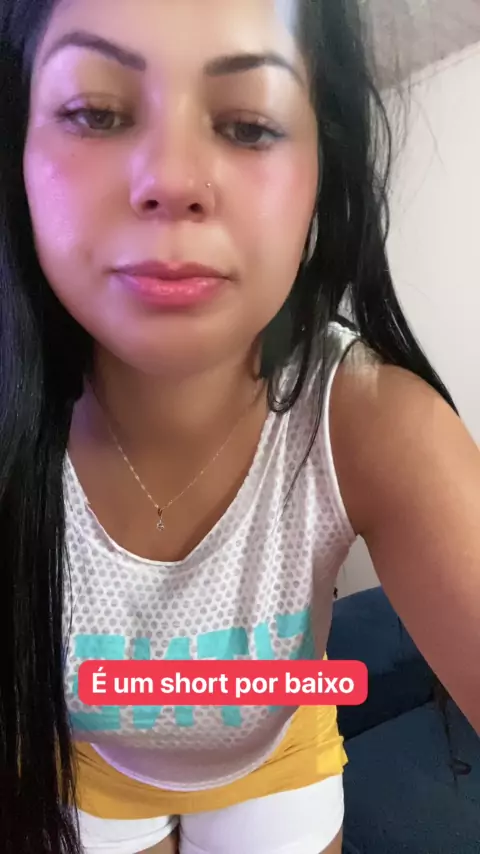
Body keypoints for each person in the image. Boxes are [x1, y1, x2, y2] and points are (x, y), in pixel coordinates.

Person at [1, 0, 479, 852]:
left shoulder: (371, 425)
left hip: (281, 755)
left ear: (322, 169)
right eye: (95, 113)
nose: (172, 178)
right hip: (81, 768)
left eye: (250, 125)